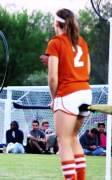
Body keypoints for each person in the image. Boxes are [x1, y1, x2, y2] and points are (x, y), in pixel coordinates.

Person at [45, 8, 92, 180]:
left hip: (67, 94)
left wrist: (54, 99)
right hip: (85, 92)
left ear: (57, 23)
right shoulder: (82, 42)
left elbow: (52, 78)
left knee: (63, 141)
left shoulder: (55, 42)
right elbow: (87, 70)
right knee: (73, 138)